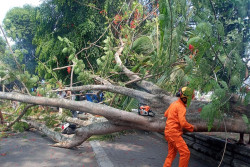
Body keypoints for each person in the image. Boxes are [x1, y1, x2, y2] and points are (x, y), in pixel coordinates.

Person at [163, 87, 197, 167]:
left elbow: (165, 114)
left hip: (168, 132)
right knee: (185, 153)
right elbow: (183, 123)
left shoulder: (174, 104)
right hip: (174, 133)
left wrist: (173, 117)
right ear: (186, 98)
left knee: (171, 154)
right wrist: (192, 127)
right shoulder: (181, 107)